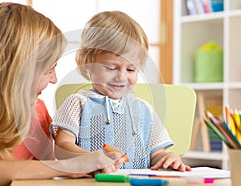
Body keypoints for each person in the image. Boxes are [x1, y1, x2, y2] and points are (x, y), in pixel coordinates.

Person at [0, 3, 123, 186]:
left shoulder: (38, 111)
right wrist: (65, 166)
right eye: (48, 69)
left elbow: (43, 178)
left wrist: (84, 167)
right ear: (14, 72)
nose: (54, 79)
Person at [51, 11, 191, 171]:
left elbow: (156, 154)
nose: (121, 77)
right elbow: (62, 147)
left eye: (131, 69)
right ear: (87, 63)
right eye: (111, 68)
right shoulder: (78, 103)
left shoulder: (145, 110)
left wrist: (168, 158)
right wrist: (92, 160)